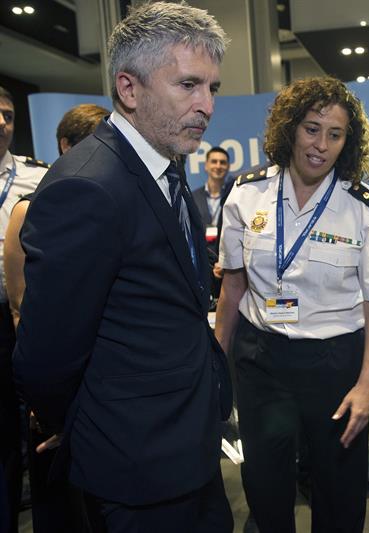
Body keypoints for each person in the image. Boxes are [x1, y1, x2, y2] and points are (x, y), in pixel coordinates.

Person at [12, 3, 233, 532]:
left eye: (212, 88)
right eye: (187, 85)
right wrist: (87, 423)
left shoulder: (166, 164)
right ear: (129, 89)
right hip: (135, 472)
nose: (206, 106)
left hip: (187, 450)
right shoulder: (87, 186)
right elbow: (46, 356)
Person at [215, 76, 369, 533]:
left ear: (347, 142)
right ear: (290, 130)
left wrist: (366, 385)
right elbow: (233, 288)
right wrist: (214, 365)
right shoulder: (246, 194)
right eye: (311, 129)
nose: (320, 145)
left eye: (334, 134)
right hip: (262, 362)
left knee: (339, 496)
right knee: (265, 489)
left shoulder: (364, 206)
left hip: (333, 364)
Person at [3, 102, 108, 533]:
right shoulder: (27, 211)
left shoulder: (109, 206)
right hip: (55, 381)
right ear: (66, 146)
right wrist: (50, 398)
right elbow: (20, 309)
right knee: (59, 500)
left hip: (104, 376)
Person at [0, 85, 50, 533]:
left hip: (16, 314)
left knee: (17, 424)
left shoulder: (38, 178)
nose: (2, 122)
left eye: (9, 115)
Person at [192, 146, 230, 228]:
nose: (218, 166)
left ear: (228, 167)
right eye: (214, 161)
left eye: (222, 162)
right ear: (206, 165)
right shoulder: (193, 197)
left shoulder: (234, 195)